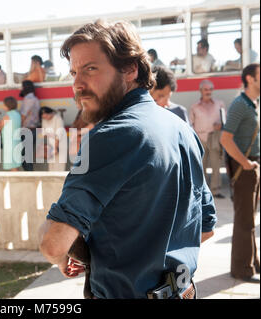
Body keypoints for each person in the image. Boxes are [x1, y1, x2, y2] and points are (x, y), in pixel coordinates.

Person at [38, 20, 216, 299]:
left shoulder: (110, 136)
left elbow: (53, 245)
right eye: (73, 72)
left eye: (90, 69)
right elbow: (206, 228)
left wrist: (58, 240)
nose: (77, 84)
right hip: (183, 292)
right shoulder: (181, 128)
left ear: (131, 68)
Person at [220, 63, 260, 282]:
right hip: (244, 168)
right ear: (250, 79)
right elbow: (225, 139)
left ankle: (253, 262)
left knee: (250, 218)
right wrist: (245, 163)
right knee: (244, 220)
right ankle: (241, 269)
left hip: (252, 165)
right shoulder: (240, 105)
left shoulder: (252, 103)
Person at [190, 80, 226, 199]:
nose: (208, 92)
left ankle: (216, 191)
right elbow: (190, 124)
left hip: (215, 137)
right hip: (200, 138)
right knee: (201, 166)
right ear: (201, 91)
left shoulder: (220, 104)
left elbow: (225, 121)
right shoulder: (194, 106)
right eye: (206, 89)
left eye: (210, 89)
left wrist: (221, 124)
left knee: (216, 165)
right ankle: (202, 192)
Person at [19, 80, 40, 171]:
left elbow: (23, 115)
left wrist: (18, 127)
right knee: (27, 156)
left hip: (27, 130)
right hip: (33, 129)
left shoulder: (28, 99)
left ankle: (30, 176)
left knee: (25, 157)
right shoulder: (35, 98)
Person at [0, 96, 22, 171]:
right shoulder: (17, 115)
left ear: (8, 106)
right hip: (17, 142)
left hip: (9, 144)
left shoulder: (7, 116)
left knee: (13, 166)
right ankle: (14, 181)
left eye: (4, 105)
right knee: (15, 165)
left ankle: (16, 182)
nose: (3, 106)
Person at [40, 107, 66, 171]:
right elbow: (44, 133)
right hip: (50, 144)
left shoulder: (58, 118)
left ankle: (60, 181)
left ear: (50, 113)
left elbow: (59, 135)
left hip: (60, 143)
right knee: (51, 166)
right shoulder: (44, 120)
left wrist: (55, 148)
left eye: (47, 116)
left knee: (59, 165)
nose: (46, 118)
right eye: (44, 117)